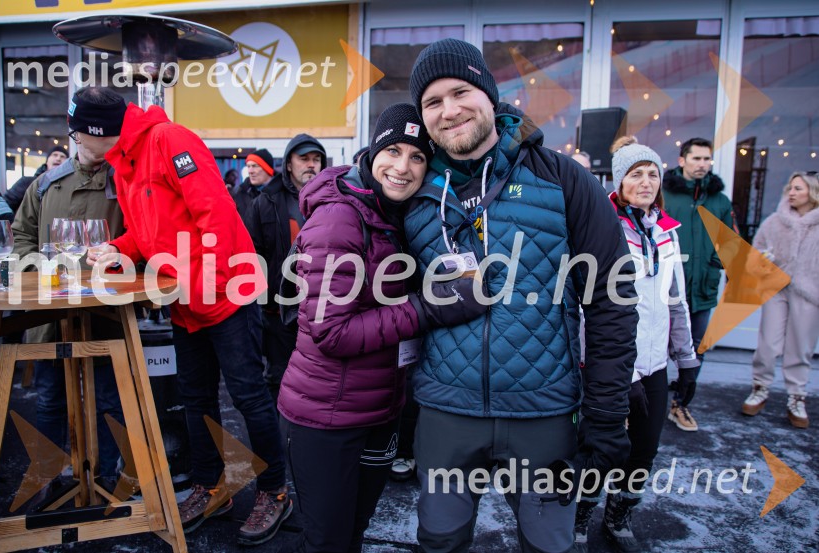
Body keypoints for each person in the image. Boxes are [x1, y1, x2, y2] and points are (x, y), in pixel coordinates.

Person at [405, 38, 638, 553]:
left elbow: (611, 299)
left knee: (548, 546)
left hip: (544, 416)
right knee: (439, 542)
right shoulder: (414, 191)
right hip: (446, 413)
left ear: (490, 96)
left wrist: (605, 412)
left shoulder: (561, 178)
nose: (449, 110)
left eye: (460, 92)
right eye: (433, 102)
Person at [278, 103, 484, 553]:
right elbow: (331, 333)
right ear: (371, 153)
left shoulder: (394, 216)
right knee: (328, 542)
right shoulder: (340, 218)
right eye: (392, 151)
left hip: (380, 409)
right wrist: (429, 307)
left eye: (417, 157)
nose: (403, 167)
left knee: (353, 534)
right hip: (325, 418)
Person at [87, 91, 289, 545]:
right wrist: (118, 248)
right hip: (182, 298)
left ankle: (275, 491)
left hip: (226, 292)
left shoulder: (168, 139)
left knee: (248, 396)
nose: (77, 141)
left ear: (98, 131)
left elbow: (214, 212)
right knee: (195, 398)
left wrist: (213, 281)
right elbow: (145, 235)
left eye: (79, 132)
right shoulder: (123, 165)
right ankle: (211, 487)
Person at [573, 137, 699, 553]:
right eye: (635, 174)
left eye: (652, 174)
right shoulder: (603, 226)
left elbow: (675, 301)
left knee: (644, 451)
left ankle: (619, 518)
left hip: (655, 365)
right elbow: (587, 304)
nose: (645, 182)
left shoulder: (667, 231)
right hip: (610, 365)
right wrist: (607, 369)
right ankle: (579, 521)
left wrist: (687, 359)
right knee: (602, 448)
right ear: (619, 180)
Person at [11, 87, 126, 490]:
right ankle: (48, 476)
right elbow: (22, 235)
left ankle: (109, 476)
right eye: (93, 136)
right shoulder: (45, 185)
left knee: (109, 397)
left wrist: (121, 262)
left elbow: (143, 242)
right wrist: (37, 272)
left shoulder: (126, 184)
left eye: (109, 136)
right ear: (75, 132)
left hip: (106, 313)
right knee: (51, 397)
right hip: (50, 314)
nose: (102, 146)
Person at [244, 134, 327, 401]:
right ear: (289, 164)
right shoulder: (265, 202)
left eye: (316, 159)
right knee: (279, 376)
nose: (311, 165)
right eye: (304, 159)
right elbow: (252, 254)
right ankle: (281, 438)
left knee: (319, 378)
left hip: (324, 306)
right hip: (277, 311)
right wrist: (261, 300)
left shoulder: (333, 199)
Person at [662, 137, 735, 432]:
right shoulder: (665, 194)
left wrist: (713, 264)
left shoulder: (719, 200)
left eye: (707, 159)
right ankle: (640, 405)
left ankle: (681, 404)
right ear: (682, 160)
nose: (703, 164)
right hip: (666, 290)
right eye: (697, 158)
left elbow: (729, 244)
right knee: (649, 347)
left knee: (695, 352)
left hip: (702, 291)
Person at [741, 171, 819, 429]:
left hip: (809, 291)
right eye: (790, 188)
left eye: (798, 188)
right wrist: (765, 258)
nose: (792, 193)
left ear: (812, 192)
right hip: (776, 289)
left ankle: (797, 397)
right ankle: (760, 388)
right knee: (767, 342)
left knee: (801, 347)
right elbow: (756, 254)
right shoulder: (775, 222)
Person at [5, 146, 68, 215]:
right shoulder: (26, 182)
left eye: (62, 157)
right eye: (54, 155)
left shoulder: (69, 186)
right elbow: (6, 205)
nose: (58, 158)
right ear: (47, 161)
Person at [232, 149, 274, 222]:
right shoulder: (238, 194)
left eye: (255, 166)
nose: (250, 171)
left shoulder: (281, 193)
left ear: (267, 169)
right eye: (248, 166)